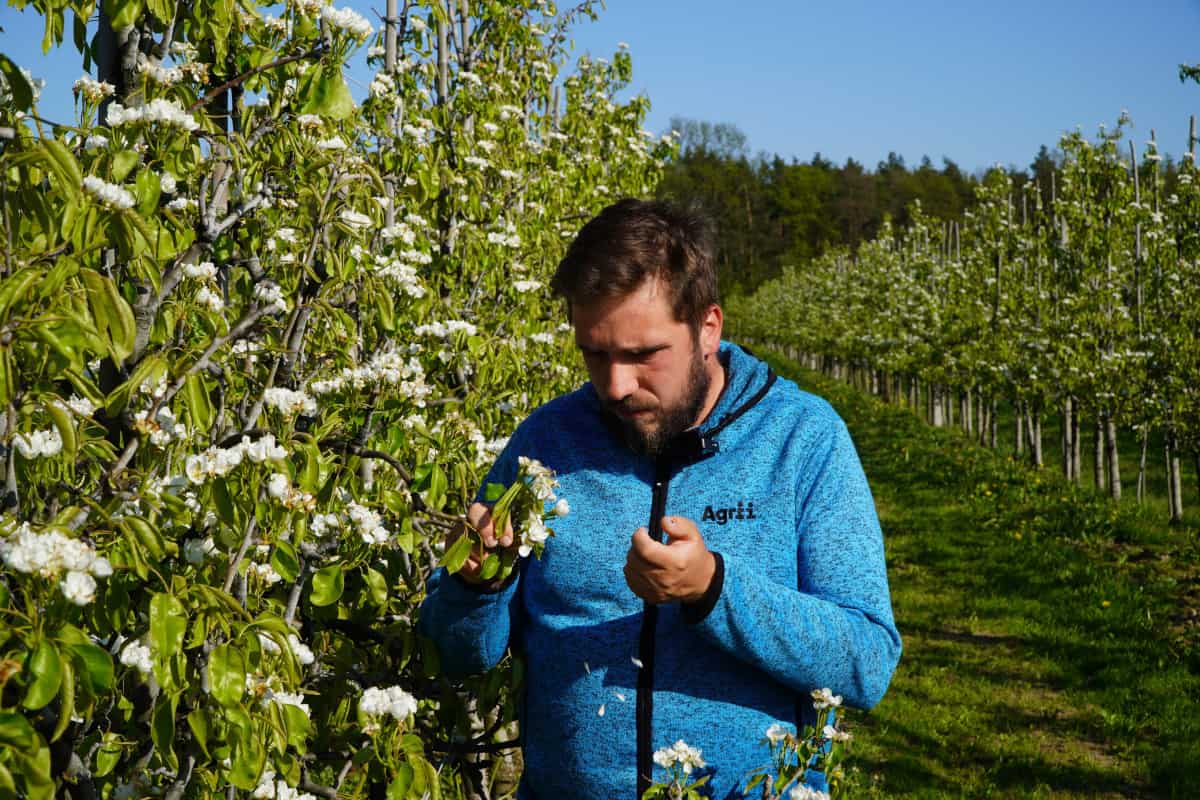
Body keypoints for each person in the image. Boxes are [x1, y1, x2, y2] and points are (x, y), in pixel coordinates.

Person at [418, 198, 901, 799]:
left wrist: (715, 591)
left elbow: (867, 661)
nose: (616, 385)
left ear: (707, 328)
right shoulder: (546, 443)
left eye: (643, 355)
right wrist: (474, 588)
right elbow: (458, 657)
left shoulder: (802, 439)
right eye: (595, 354)